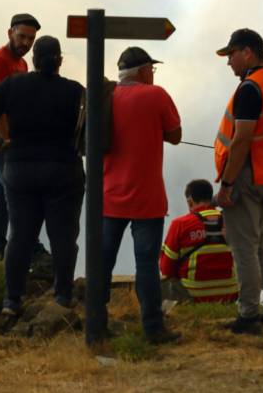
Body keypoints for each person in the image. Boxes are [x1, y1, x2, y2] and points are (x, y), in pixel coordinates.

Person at [0, 35, 85, 315]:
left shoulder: (14, 84)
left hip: (20, 170)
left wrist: (0, 143)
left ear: (33, 61)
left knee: (20, 236)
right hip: (63, 172)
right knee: (63, 237)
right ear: (59, 61)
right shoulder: (74, 91)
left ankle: (12, 300)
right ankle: (63, 296)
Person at [101, 46, 182, 344]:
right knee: (146, 264)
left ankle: (96, 324)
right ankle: (153, 328)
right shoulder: (156, 95)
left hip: (109, 195)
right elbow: (175, 135)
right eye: (152, 69)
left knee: (103, 262)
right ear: (144, 70)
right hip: (147, 198)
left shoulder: (105, 96)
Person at [214, 28, 263, 334]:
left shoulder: (250, 88)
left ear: (248, 52)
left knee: (243, 247)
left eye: (231, 54)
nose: (229, 62)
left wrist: (228, 184)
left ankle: (248, 315)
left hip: (246, 175)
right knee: (261, 244)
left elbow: (242, 139)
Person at [0, 13, 47, 262]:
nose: (26, 43)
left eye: (31, 39)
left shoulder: (22, 65)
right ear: (10, 33)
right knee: (17, 191)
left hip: (11, 141)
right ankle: (30, 245)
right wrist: (8, 142)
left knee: (3, 194)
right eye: (21, 37)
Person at [160, 179, 238, 303]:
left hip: (193, 296)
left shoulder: (180, 224)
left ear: (190, 201)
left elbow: (166, 269)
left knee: (154, 286)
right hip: (230, 294)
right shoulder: (230, 220)